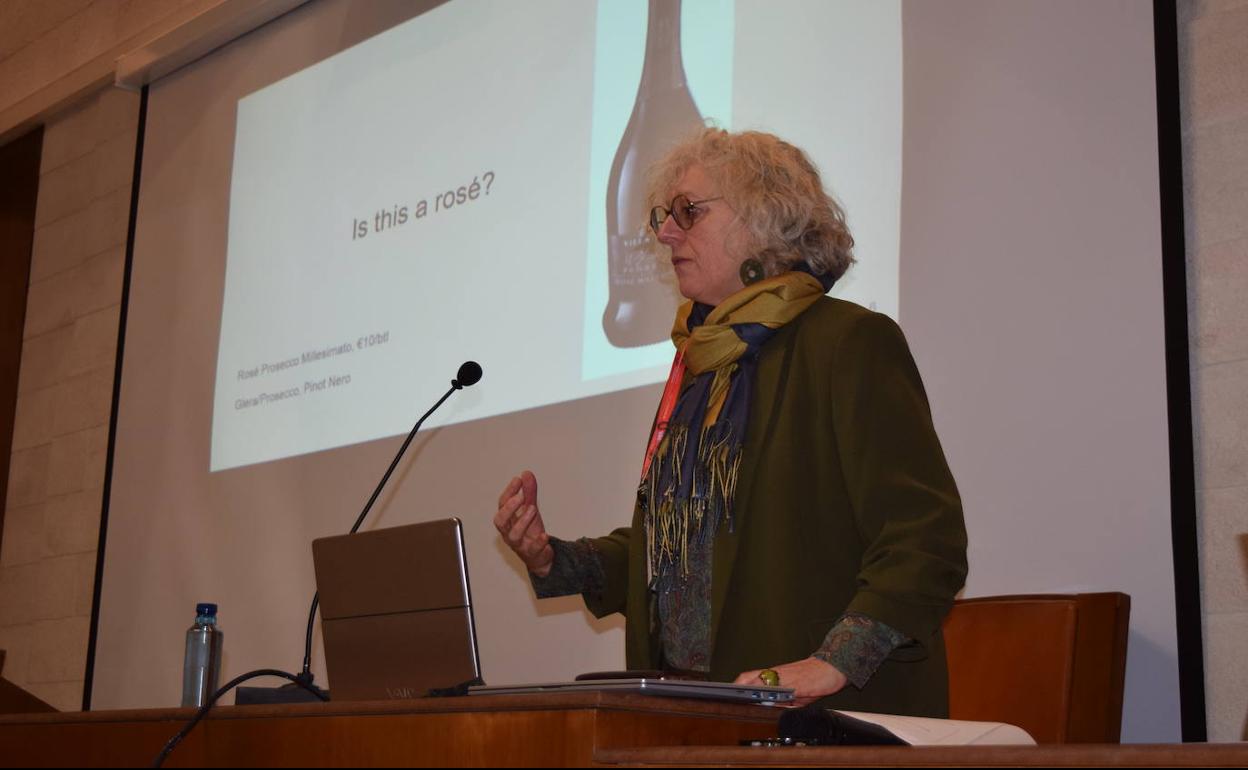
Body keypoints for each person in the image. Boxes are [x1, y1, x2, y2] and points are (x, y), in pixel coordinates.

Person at [493, 128, 967, 716]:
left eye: (688, 212)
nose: (666, 232)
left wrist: (834, 662)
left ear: (766, 216)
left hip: (827, 720)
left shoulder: (848, 342)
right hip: (697, 715)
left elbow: (924, 539)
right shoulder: (699, 366)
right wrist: (553, 560)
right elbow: (683, 557)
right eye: (664, 216)